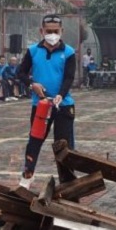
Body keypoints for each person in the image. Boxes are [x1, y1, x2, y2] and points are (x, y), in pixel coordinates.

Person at [16, 14, 76, 189]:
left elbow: (69, 77)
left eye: (55, 31)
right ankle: (27, 176)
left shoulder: (69, 52)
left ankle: (68, 182)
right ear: (41, 31)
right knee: (35, 140)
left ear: (61, 31)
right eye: (48, 31)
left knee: (64, 145)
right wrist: (31, 84)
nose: (52, 34)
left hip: (63, 105)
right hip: (40, 105)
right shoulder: (33, 51)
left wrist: (61, 94)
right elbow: (21, 73)